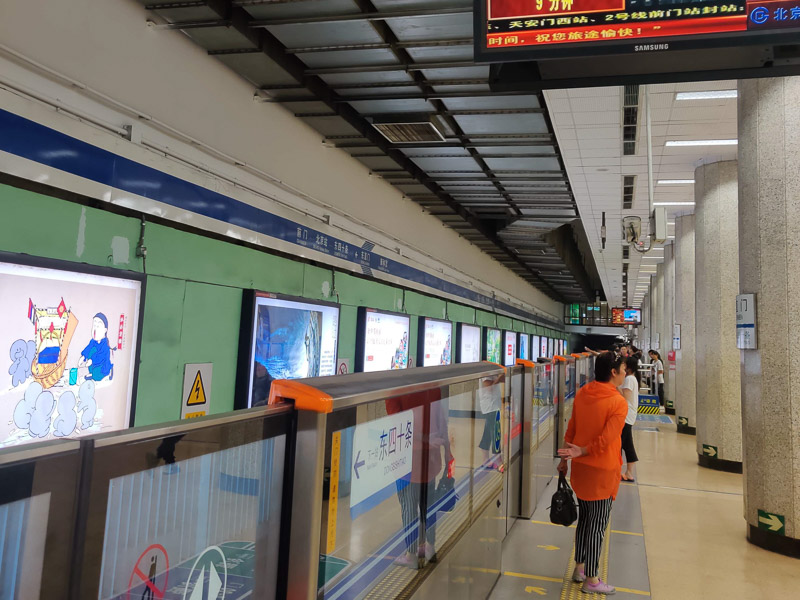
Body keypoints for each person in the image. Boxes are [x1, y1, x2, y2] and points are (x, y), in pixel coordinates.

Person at [558, 352, 628, 595]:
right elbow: (607, 440)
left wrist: (568, 457)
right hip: (601, 472)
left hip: (581, 471)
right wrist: (584, 451)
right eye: (622, 368)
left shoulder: (583, 392)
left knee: (585, 521)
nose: (625, 372)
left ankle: (579, 567)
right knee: (597, 527)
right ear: (613, 372)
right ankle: (592, 579)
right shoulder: (618, 402)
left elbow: (572, 427)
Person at [386, 388, 452, 568]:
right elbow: (441, 419)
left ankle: (411, 554)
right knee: (429, 504)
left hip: (406, 458)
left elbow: (399, 425)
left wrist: (422, 439)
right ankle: (429, 547)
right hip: (430, 457)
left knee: (408, 505)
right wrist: (447, 448)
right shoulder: (433, 384)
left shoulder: (395, 389)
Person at [620, 356, 640, 482]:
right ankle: (629, 473)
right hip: (630, 416)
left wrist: (615, 386)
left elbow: (624, 398)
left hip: (626, 416)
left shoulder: (629, 379)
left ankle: (615, 470)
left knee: (618, 445)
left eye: (624, 364)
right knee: (628, 445)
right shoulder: (633, 379)